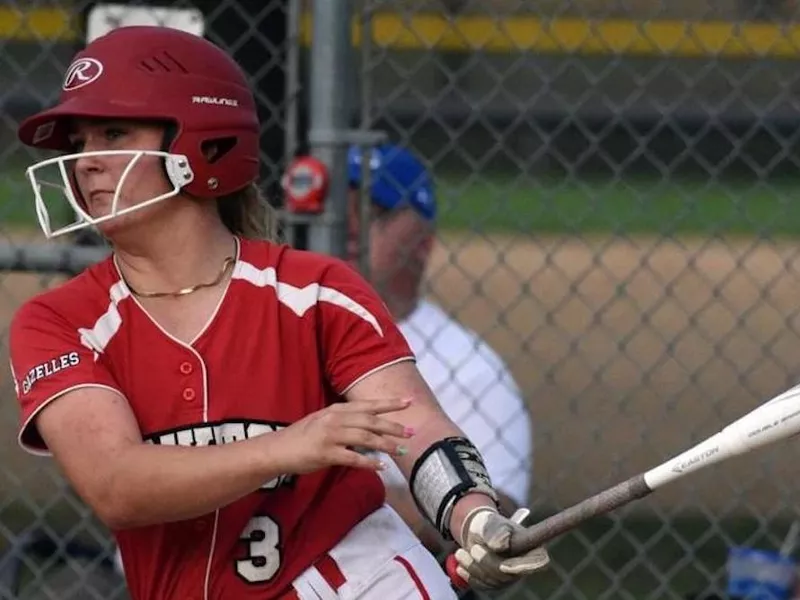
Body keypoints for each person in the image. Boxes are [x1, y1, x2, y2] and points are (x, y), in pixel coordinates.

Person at [8, 26, 550, 600]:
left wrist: (473, 517)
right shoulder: (60, 321)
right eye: (80, 142)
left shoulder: (313, 291)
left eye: (112, 133)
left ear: (203, 142)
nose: (85, 163)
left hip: (353, 582)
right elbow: (115, 484)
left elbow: (416, 428)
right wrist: (290, 445)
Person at [345, 145, 534, 588]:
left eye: (371, 213)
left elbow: (496, 516)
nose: (347, 229)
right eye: (335, 209)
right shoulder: (268, 334)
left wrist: (329, 495)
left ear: (424, 242)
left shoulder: (470, 365)